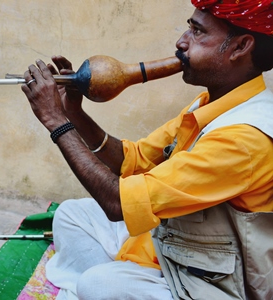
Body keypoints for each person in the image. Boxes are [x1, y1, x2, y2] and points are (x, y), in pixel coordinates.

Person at [21, 1, 273, 299]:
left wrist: (55, 121)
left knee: (99, 285)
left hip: (210, 277)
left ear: (240, 47)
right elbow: (133, 160)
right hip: (174, 241)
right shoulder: (210, 104)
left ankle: (98, 286)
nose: (181, 41)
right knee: (71, 214)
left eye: (197, 32)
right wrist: (73, 113)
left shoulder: (243, 138)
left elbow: (117, 203)